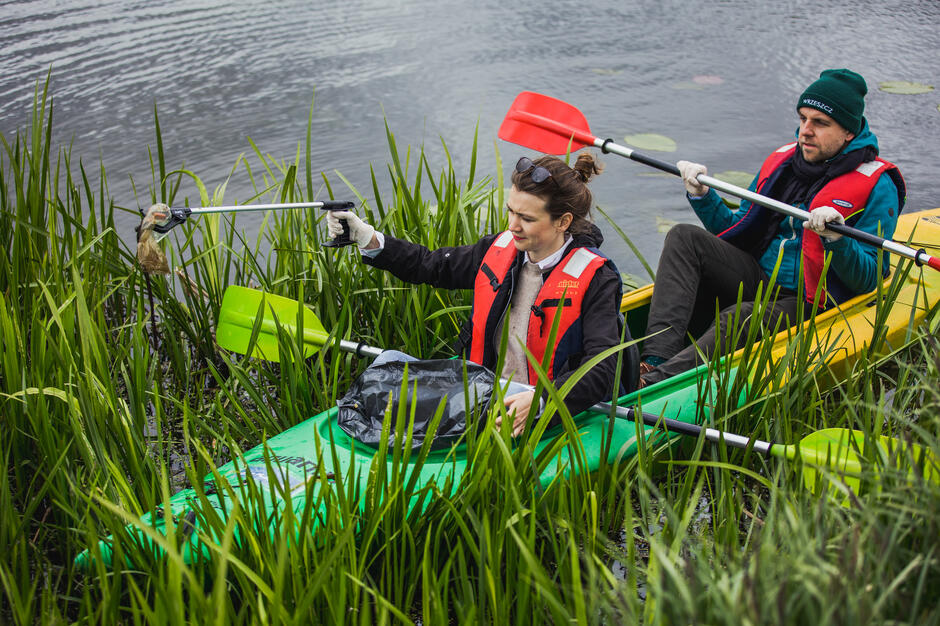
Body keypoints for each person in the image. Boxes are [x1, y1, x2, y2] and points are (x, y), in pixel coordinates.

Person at [326, 154, 636, 436]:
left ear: (563, 221)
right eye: (511, 212)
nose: (513, 226)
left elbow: (602, 367)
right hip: (481, 393)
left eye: (527, 219)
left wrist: (543, 401)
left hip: (536, 405)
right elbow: (430, 265)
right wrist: (366, 237)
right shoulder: (499, 249)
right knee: (389, 363)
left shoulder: (597, 278)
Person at [639, 68, 905, 387]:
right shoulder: (782, 161)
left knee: (739, 318)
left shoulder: (878, 183)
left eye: (820, 123)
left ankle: (656, 385)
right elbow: (737, 230)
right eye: (803, 118)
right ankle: (652, 361)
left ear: (848, 131)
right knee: (683, 236)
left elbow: (869, 278)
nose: (805, 130)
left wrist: (838, 239)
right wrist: (703, 196)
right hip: (761, 276)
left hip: (811, 299)